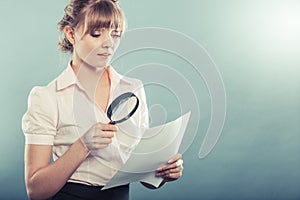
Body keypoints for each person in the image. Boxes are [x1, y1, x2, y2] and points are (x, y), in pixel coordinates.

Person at [22, 0, 183, 199]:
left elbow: (142, 174)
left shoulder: (133, 88)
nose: (108, 43)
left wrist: (163, 173)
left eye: (115, 34)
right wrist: (83, 146)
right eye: (96, 34)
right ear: (71, 34)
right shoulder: (47, 97)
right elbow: (35, 191)